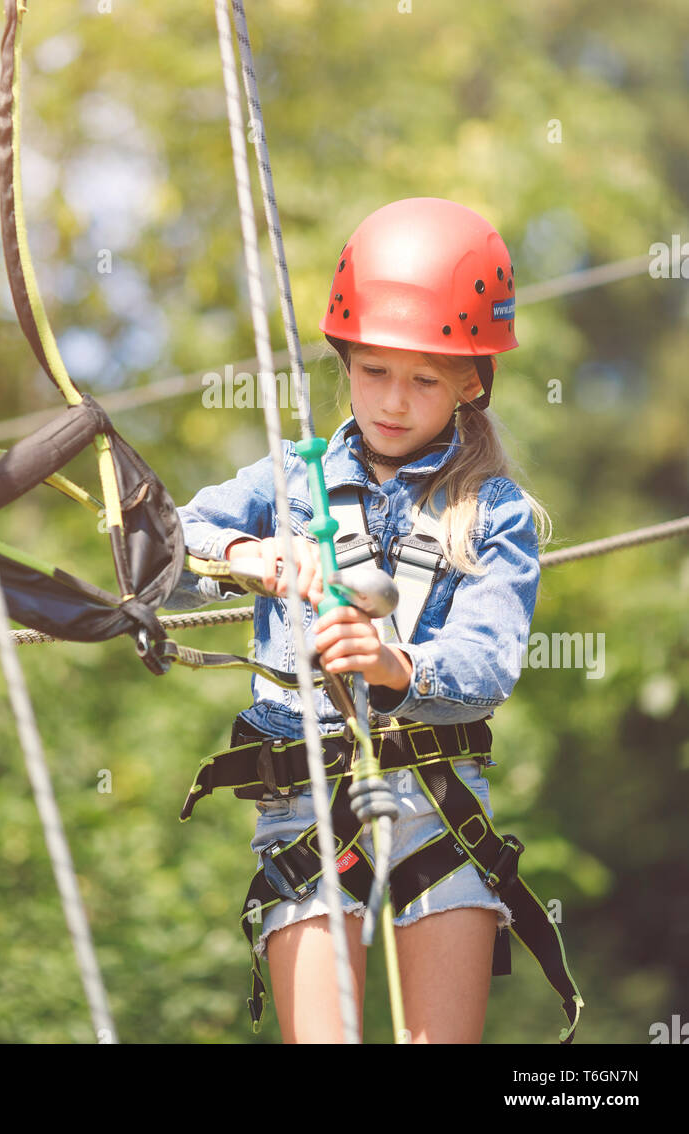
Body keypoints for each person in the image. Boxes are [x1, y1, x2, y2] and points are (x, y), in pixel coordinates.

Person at [165, 197, 556, 1044]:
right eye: (373, 370)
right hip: (306, 802)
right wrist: (251, 555)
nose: (391, 400)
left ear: (469, 383)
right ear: (344, 362)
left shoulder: (494, 513)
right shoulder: (290, 483)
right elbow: (163, 546)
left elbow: (489, 662)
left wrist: (392, 665)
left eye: (422, 379)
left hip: (440, 805)